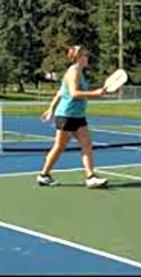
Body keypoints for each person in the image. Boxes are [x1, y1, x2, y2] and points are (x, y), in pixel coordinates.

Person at [37, 45, 109, 189]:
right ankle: (44, 175)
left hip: (78, 116)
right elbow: (74, 93)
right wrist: (95, 93)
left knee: (87, 144)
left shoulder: (79, 72)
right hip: (66, 115)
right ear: (78, 57)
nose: (88, 57)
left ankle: (90, 177)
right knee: (59, 147)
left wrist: (50, 108)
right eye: (85, 55)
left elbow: (60, 92)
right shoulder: (73, 72)